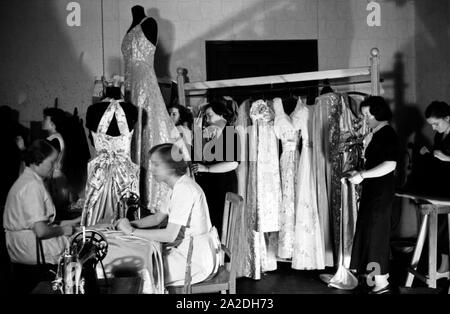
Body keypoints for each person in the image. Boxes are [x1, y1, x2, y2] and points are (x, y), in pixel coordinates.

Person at [115, 143, 220, 286]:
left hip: (195, 261)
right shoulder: (176, 186)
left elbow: (169, 235)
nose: (151, 169)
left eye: (156, 165)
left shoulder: (184, 189)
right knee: (141, 259)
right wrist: (129, 224)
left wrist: (131, 231)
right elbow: (158, 218)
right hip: (189, 251)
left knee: (137, 273)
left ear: (171, 167)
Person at [348, 96, 399, 294]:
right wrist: (359, 173)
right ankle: (376, 280)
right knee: (371, 235)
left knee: (376, 237)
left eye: (368, 114)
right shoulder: (376, 134)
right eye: (364, 115)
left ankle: (381, 284)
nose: (365, 118)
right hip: (373, 192)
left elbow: (390, 164)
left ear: (380, 113)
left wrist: (362, 175)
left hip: (381, 194)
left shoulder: (388, 134)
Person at [3, 140, 76, 266]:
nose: (55, 167)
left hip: (22, 247)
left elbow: (42, 222)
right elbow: (41, 231)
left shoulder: (28, 179)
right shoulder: (32, 185)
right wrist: (63, 230)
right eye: (52, 162)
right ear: (38, 160)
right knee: (79, 248)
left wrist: (75, 222)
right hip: (31, 250)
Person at [191, 100, 240, 236]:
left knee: (219, 222)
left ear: (222, 115)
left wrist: (206, 169)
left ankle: (219, 255)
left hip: (222, 184)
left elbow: (233, 163)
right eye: (206, 116)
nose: (207, 119)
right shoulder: (211, 133)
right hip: (209, 184)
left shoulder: (230, 133)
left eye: (209, 115)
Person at [421, 101, 450, 275]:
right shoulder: (440, 136)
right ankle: (444, 266)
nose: (433, 128)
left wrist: (447, 159)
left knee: (447, 227)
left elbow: (445, 157)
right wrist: (430, 152)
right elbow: (439, 155)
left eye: (436, 123)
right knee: (441, 226)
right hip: (442, 185)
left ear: (448, 118)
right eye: (431, 124)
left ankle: (445, 267)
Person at [42, 108, 71, 216]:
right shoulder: (56, 138)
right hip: (57, 180)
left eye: (45, 118)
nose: (43, 121)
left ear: (53, 122)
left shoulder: (53, 140)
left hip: (54, 181)